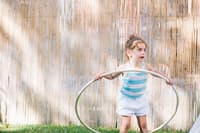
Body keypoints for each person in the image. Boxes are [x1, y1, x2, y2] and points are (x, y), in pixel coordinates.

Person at [96, 34, 173, 133]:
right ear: (129, 53)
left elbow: (156, 73)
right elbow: (111, 76)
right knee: (126, 124)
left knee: (144, 125)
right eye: (139, 50)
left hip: (140, 99)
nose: (143, 52)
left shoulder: (146, 66)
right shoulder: (124, 67)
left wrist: (166, 78)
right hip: (126, 99)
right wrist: (102, 75)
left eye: (144, 50)